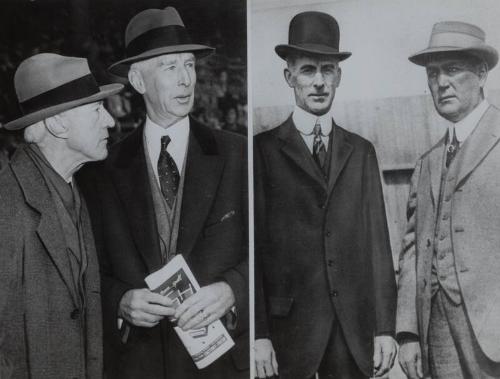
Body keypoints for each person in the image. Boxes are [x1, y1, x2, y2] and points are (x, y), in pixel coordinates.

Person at [77, 7, 248, 379]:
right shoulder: (101, 171)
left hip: (221, 368)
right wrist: (120, 301)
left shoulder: (238, 154)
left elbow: (269, 252)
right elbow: (89, 273)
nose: (187, 79)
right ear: (137, 80)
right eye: (170, 67)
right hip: (140, 366)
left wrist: (234, 289)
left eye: (189, 65)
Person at [254, 11, 397, 379]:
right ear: (289, 77)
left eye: (327, 70)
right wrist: (259, 334)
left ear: (338, 76)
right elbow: (253, 251)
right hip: (289, 335)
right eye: (307, 70)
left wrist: (384, 327)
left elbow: (378, 245)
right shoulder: (261, 152)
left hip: (352, 332)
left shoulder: (361, 151)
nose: (319, 82)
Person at [0, 53, 122, 378]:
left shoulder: (73, 188)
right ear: (57, 123)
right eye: (97, 109)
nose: (110, 120)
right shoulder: (6, 203)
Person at [397, 21, 500, 379]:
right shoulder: (426, 163)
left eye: (453, 70)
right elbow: (412, 251)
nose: (441, 83)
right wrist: (409, 331)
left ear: (482, 73)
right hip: (436, 334)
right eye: (433, 73)